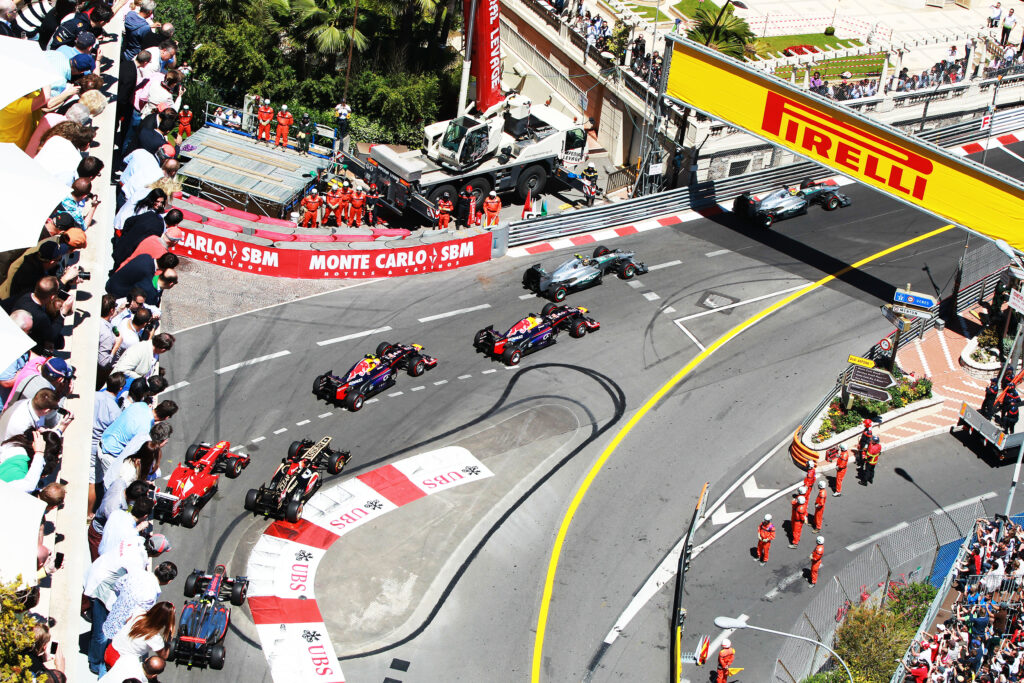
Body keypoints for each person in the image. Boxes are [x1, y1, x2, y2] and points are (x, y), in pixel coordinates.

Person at [104, 602, 174, 671]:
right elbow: (164, 656)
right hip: (121, 662)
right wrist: (170, 636)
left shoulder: (139, 612)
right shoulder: (155, 638)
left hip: (110, 650)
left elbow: (128, 620)